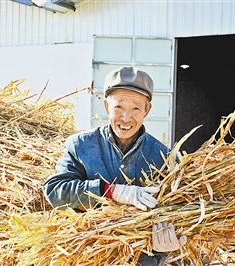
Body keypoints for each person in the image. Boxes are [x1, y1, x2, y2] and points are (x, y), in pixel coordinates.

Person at [43, 66, 187, 265]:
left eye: (136, 108)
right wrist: (110, 191)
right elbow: (55, 191)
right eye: (118, 107)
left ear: (147, 110)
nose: (126, 118)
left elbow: (179, 213)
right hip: (88, 257)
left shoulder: (165, 158)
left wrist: (164, 248)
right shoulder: (80, 146)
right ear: (106, 106)